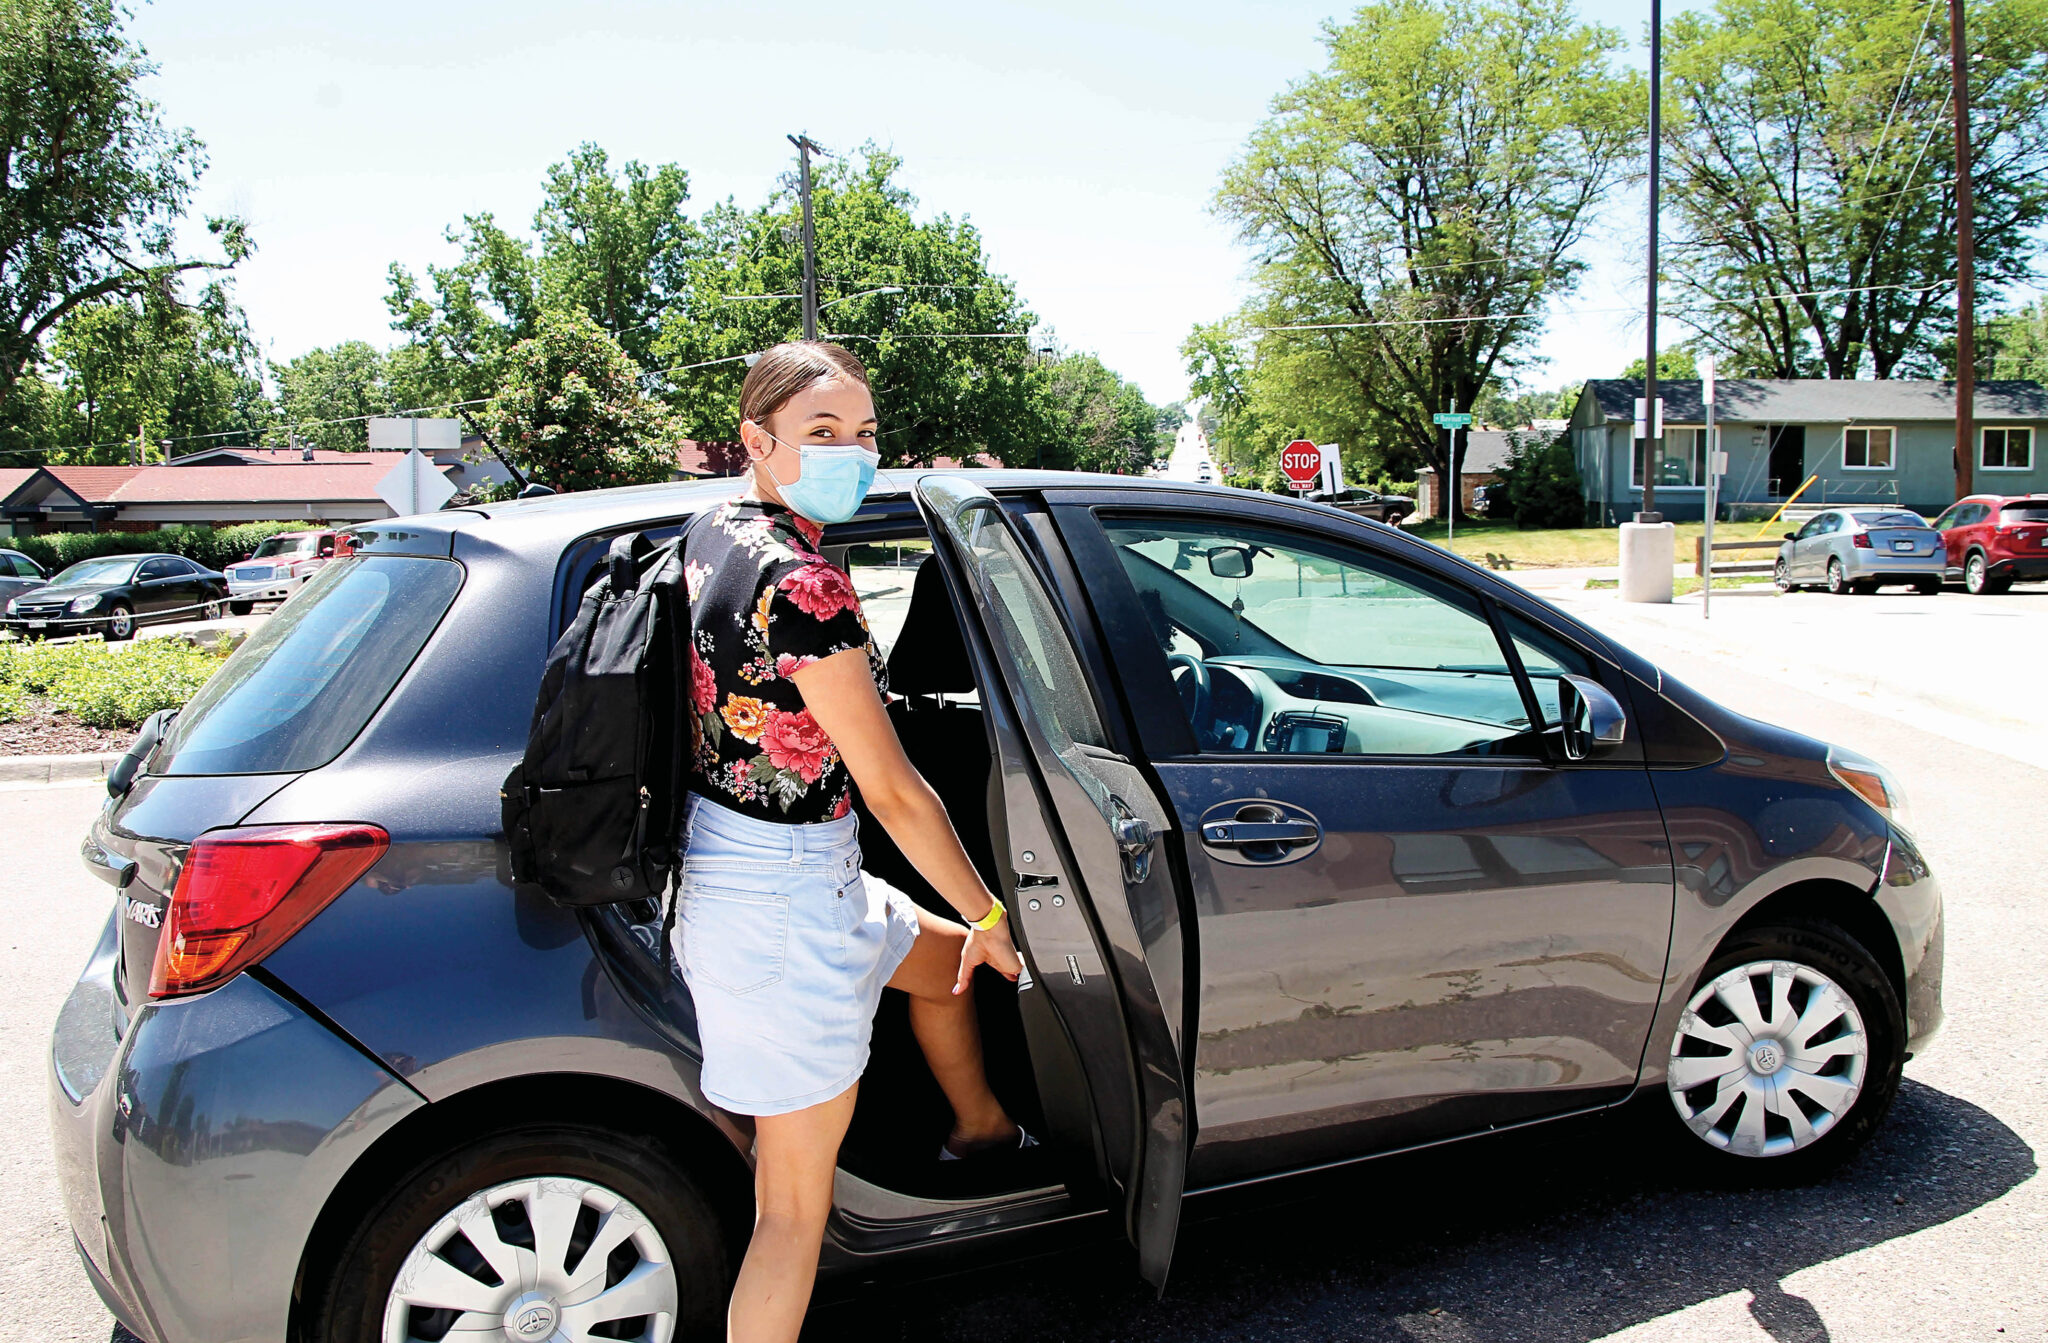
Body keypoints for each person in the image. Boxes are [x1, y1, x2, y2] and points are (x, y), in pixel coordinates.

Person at [675, 340, 1030, 1342]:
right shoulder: (804, 583)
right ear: (756, 438)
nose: (853, 451)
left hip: (781, 877)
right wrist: (992, 909)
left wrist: (968, 930)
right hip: (780, 904)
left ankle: (981, 1130)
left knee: (944, 964)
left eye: (864, 432)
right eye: (821, 432)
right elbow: (895, 789)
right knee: (788, 1211)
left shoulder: (712, 533)